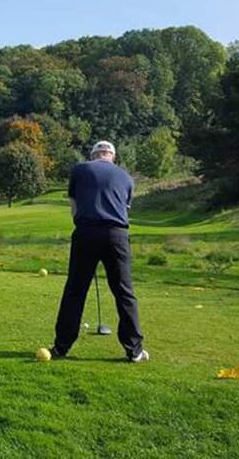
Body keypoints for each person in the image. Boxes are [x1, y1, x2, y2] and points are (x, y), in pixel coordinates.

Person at [50, 140, 148, 362]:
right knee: (124, 292)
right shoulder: (126, 177)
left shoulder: (80, 170)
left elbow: (74, 207)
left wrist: (86, 227)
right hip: (117, 236)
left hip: (86, 232)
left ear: (94, 155)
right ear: (112, 156)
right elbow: (125, 210)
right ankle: (134, 350)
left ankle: (61, 347)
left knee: (75, 290)